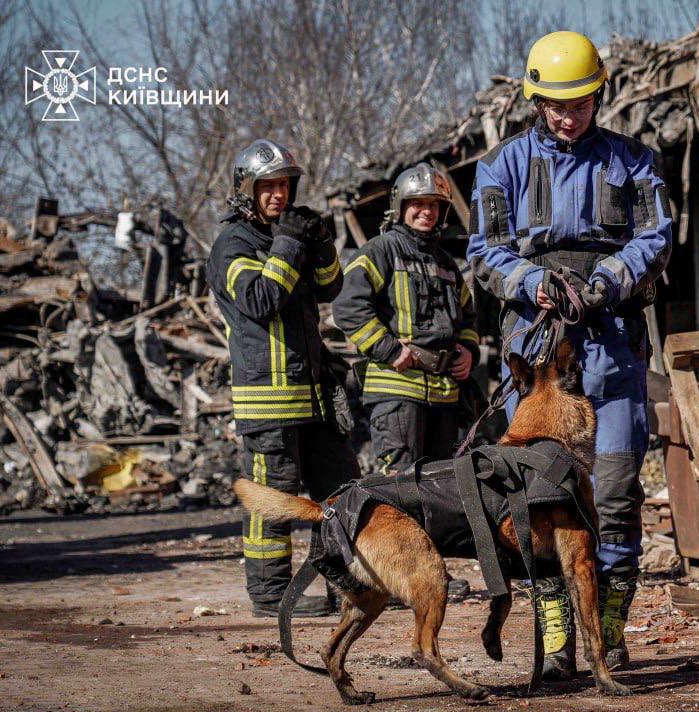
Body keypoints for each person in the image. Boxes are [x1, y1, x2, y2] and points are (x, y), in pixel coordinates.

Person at [466, 31, 672, 677]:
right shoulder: (501, 165)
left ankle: (608, 633)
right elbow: (484, 251)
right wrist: (534, 283)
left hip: (612, 356)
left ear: (597, 95)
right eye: (556, 104)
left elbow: (657, 237)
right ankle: (557, 643)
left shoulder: (634, 161)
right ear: (535, 100)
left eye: (580, 102)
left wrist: (608, 279)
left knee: (613, 498)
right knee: (538, 501)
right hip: (537, 362)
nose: (568, 115)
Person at [207, 139, 361, 618]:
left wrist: (320, 242)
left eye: (284, 185)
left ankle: (348, 580)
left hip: (313, 395)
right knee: (274, 501)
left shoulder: (285, 234)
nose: (278, 195)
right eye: (267, 186)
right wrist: (290, 243)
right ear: (246, 190)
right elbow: (258, 300)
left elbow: (330, 287)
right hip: (268, 402)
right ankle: (271, 594)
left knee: (340, 490)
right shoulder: (232, 245)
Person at [333, 163, 478, 473]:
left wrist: (469, 351)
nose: (426, 211)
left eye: (433, 205)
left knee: (442, 488)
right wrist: (389, 350)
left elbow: (468, 318)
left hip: (444, 395)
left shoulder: (447, 265)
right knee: (401, 487)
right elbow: (347, 306)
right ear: (400, 207)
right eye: (418, 203)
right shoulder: (379, 251)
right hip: (397, 393)